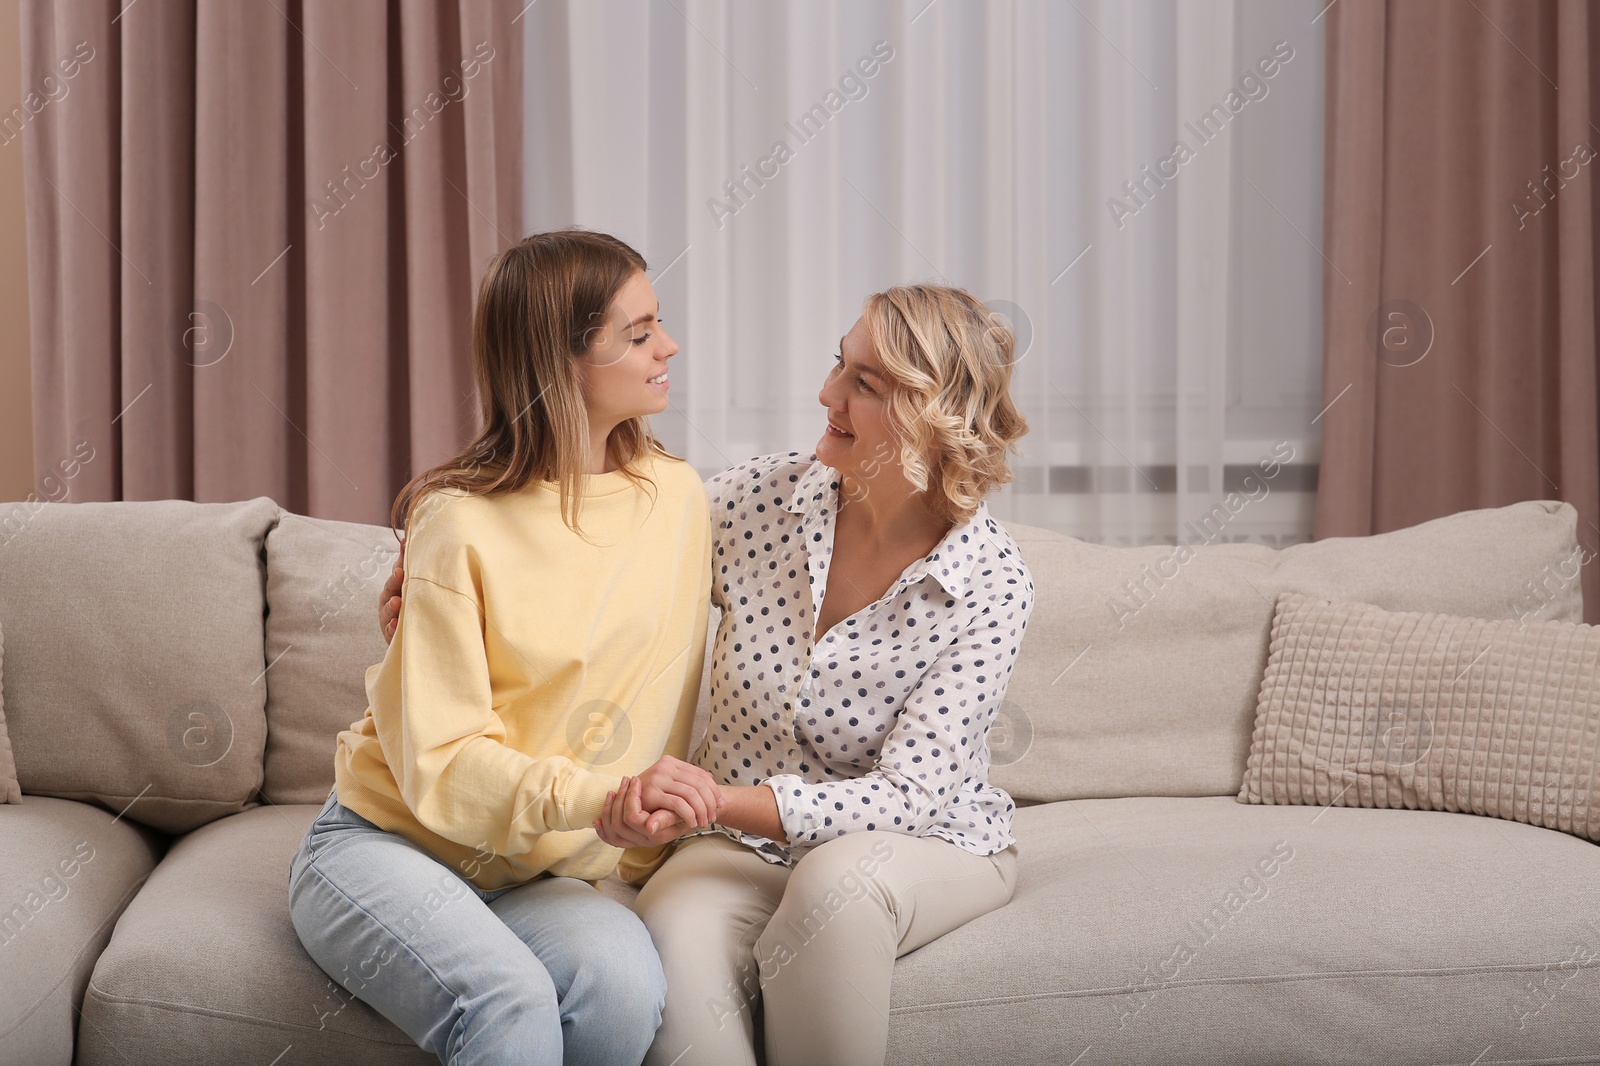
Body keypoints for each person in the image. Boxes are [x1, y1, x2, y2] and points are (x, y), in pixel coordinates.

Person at [380, 282, 1034, 1066]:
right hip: (736, 848)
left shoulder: (990, 582)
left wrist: (711, 799)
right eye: (838, 364)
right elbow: (594, 560)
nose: (827, 393)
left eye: (865, 383)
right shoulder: (760, 501)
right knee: (673, 940)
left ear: (934, 412)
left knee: (836, 893)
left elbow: (906, 795)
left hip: (920, 839)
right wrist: (431, 592)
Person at [291, 228, 723, 1066]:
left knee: (624, 989)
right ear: (564, 363)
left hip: (535, 874)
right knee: (509, 998)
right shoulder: (456, 519)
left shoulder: (678, 497)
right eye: (637, 335)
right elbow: (444, 761)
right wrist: (602, 796)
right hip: (389, 843)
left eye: (657, 323)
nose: (668, 346)